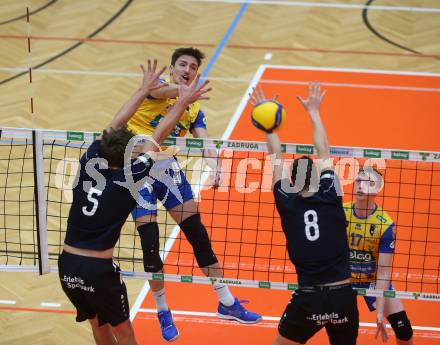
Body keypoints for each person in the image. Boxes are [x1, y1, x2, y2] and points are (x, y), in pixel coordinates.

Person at [58, 59, 211, 345]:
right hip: (98, 272)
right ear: (127, 156)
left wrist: (143, 90)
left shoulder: (89, 163)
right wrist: (182, 103)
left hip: (67, 267)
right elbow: (158, 135)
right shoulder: (132, 178)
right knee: (125, 335)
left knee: (99, 328)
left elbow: (114, 125)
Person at [126, 47, 261, 341]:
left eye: (193, 68)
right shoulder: (156, 90)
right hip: (136, 172)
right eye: (183, 65)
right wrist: (181, 90)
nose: (188, 70)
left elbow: (206, 142)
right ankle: (163, 310)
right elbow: (165, 93)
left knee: (198, 235)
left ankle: (227, 302)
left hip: (166, 170)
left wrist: (216, 166)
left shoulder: (195, 109)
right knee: (150, 246)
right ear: (172, 69)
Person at [249, 83, 359, 345]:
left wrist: (270, 127)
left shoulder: (287, 202)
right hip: (342, 296)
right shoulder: (332, 194)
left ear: (292, 182)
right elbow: (323, 150)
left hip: (309, 299)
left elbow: (276, 158)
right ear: (318, 178)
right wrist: (314, 112)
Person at [345, 168, 413, 344]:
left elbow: (383, 273)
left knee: (403, 328)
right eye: (358, 181)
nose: (360, 186)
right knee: (344, 332)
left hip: (372, 279)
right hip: (343, 280)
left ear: (376, 189)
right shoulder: (340, 213)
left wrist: (380, 313)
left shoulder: (385, 225)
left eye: (367, 183)